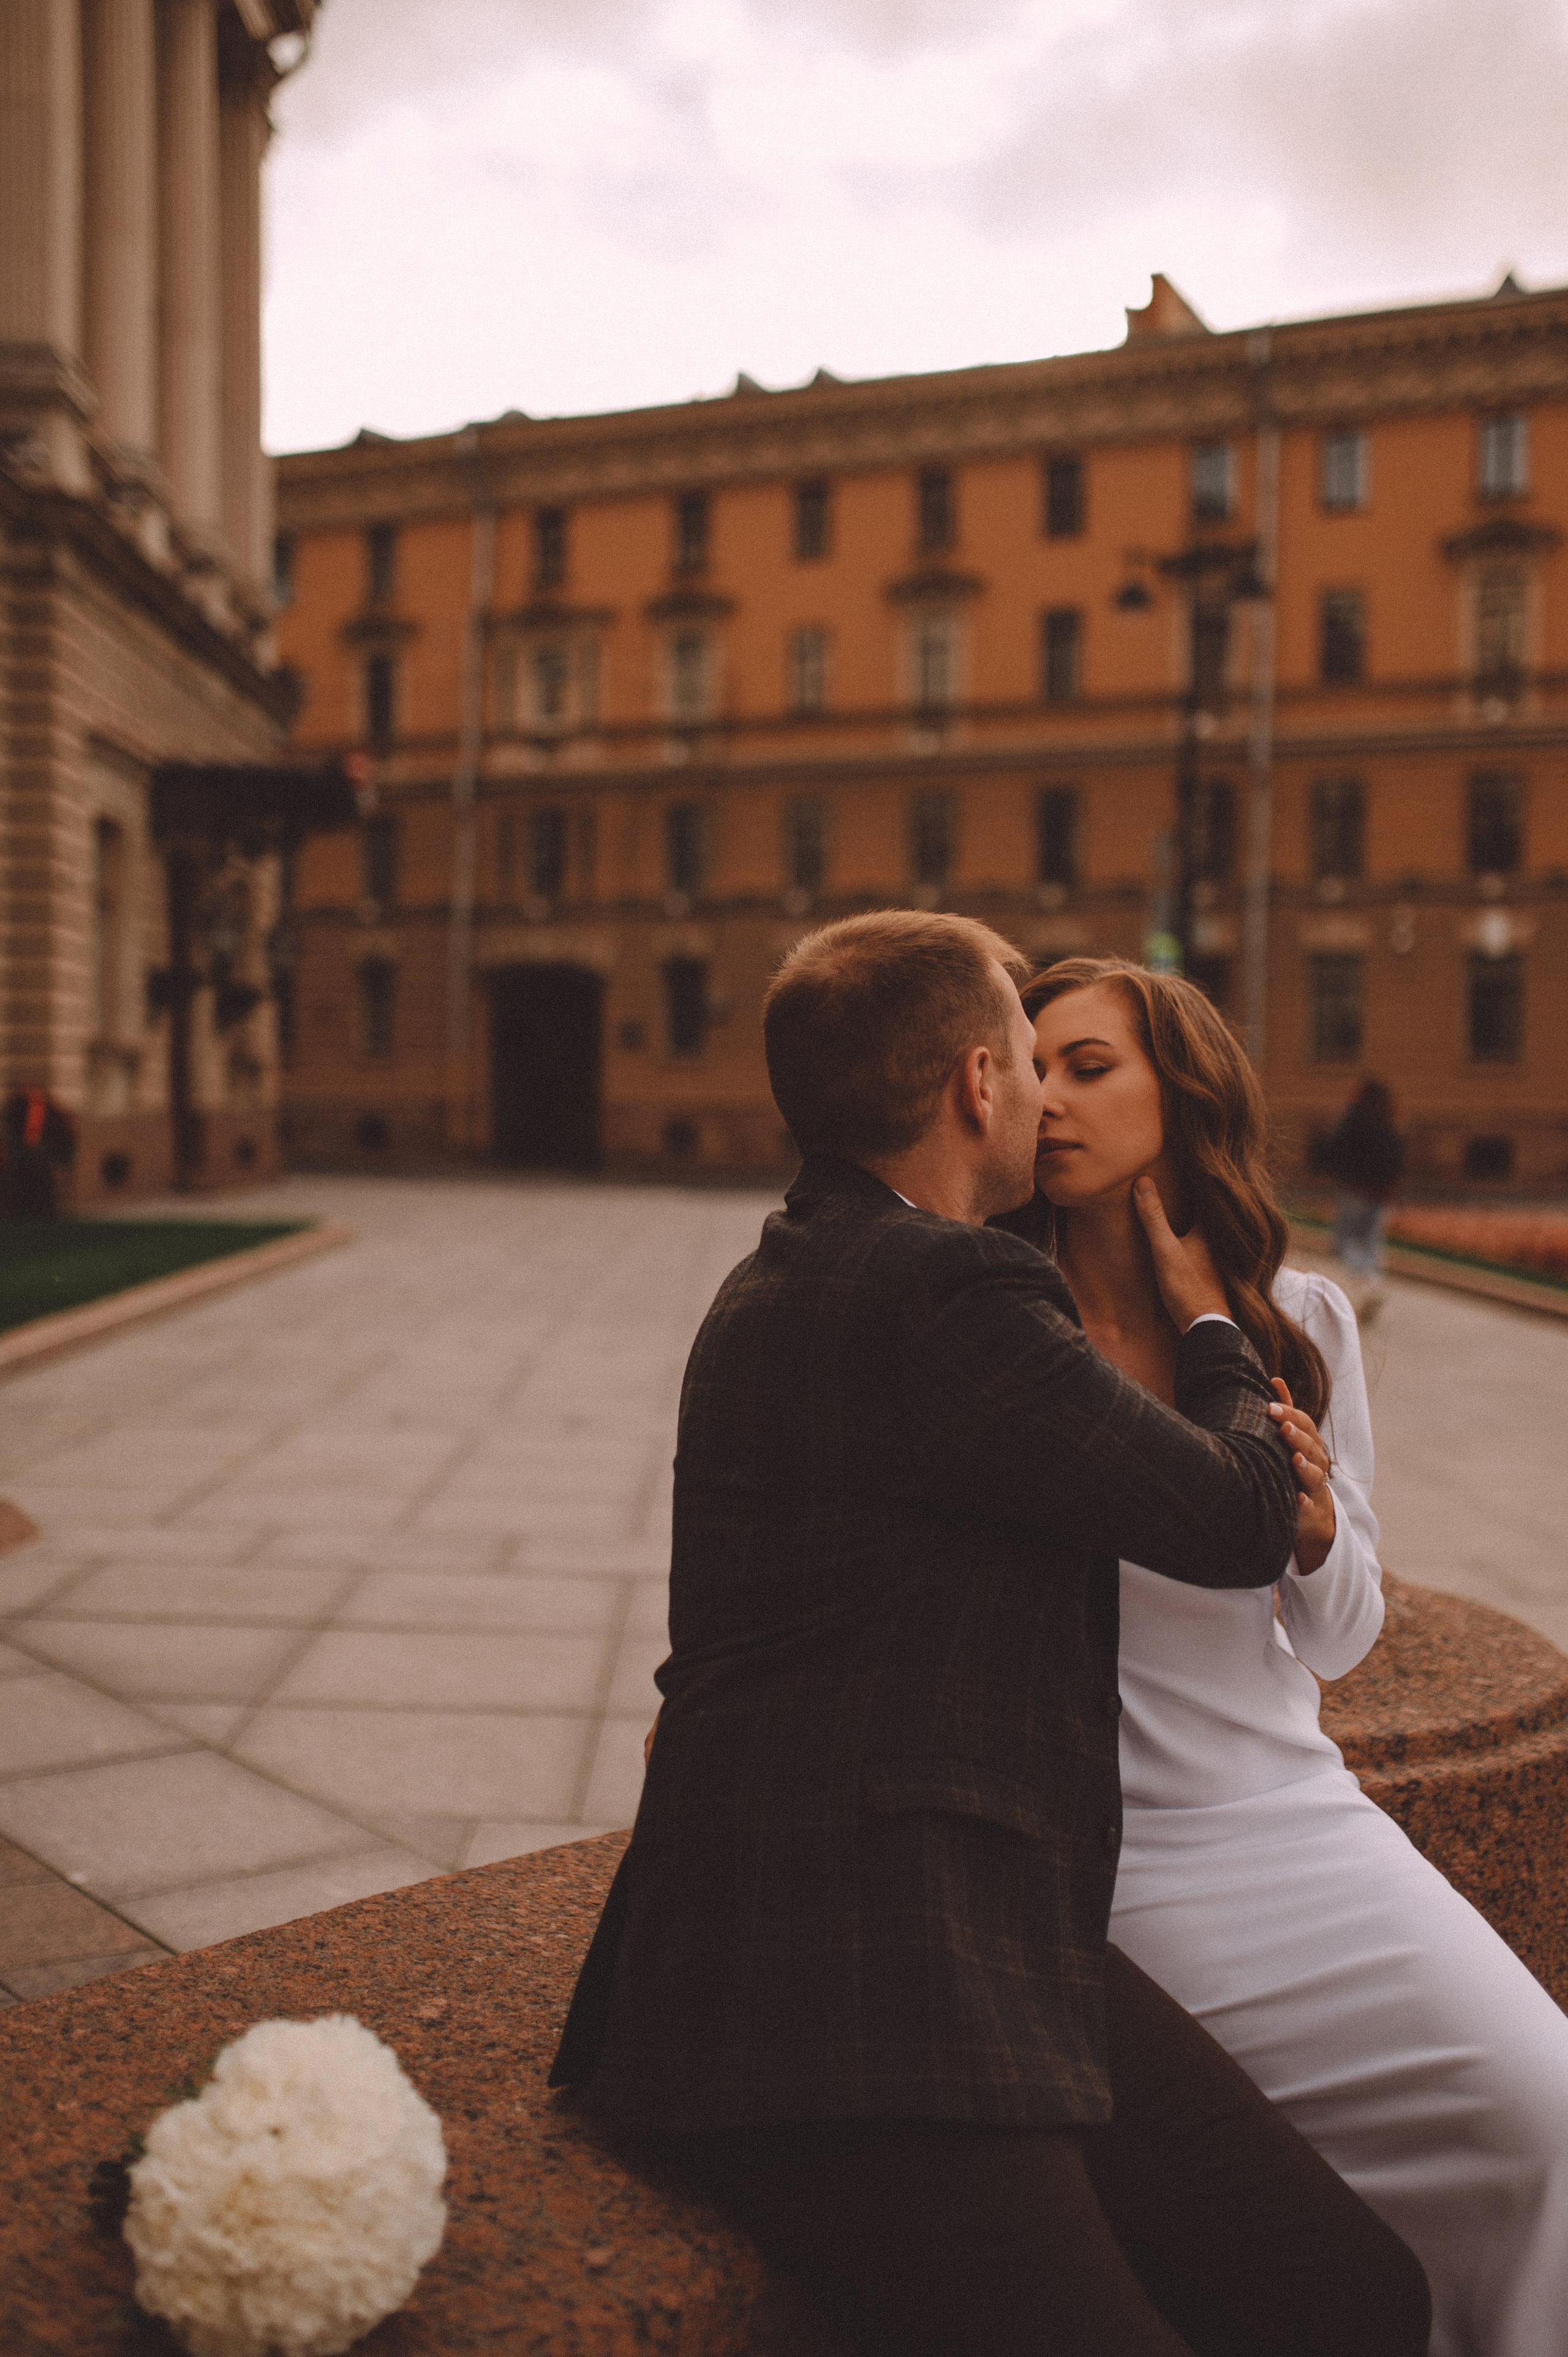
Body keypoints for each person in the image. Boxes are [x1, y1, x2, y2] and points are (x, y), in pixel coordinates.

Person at [551, 910, 1430, 2357]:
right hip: (835, 1977)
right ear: (974, 1084)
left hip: (975, 1918)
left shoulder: (798, 1266)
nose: (1044, 1094)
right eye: (1029, 1059)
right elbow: (1232, 1512)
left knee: (1355, 2293)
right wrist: (1212, 1329)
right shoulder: (944, 1289)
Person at [1008, 955, 1568, 2357]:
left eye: (1088, 1065)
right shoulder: (995, 1321)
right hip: (1104, 1859)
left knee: (1546, 2107)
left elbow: (1340, 1634)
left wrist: (1314, 1536)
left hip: (1287, 1816)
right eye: (1030, 1066)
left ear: (1178, 1092)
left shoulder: (1296, 1319)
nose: (1048, 1095)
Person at [1321, 1079, 1404, 1317]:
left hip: (1355, 1191)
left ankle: (1366, 1284)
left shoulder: (1353, 1120)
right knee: (1371, 1242)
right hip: (1380, 1194)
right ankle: (1372, 1284)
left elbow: (1337, 1150)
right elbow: (1396, 1156)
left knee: (1347, 1241)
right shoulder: (1387, 1121)